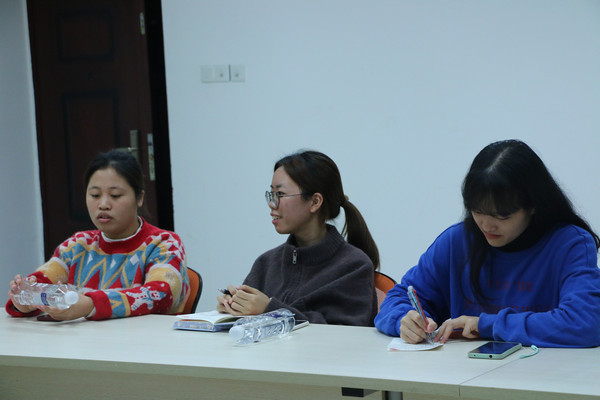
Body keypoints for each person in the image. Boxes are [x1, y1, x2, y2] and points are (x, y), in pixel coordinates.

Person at [375, 139, 600, 348]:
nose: (486, 225)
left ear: (533, 206)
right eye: (477, 211)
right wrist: (404, 320)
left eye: (502, 216)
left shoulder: (569, 244)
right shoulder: (457, 242)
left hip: (544, 372)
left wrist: (486, 325)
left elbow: (585, 323)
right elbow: (398, 298)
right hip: (461, 372)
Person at [6, 150, 190, 321]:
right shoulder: (77, 245)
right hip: (84, 342)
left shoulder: (164, 244)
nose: (103, 204)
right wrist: (26, 299)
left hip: (145, 342)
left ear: (139, 197)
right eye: (95, 195)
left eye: (115, 195)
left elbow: (160, 294)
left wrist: (90, 305)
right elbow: (42, 280)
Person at [217, 150, 379, 326]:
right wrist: (234, 306)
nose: (272, 204)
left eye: (280, 194)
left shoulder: (354, 266)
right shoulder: (266, 263)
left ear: (315, 202)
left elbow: (345, 334)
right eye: (271, 194)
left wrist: (270, 309)